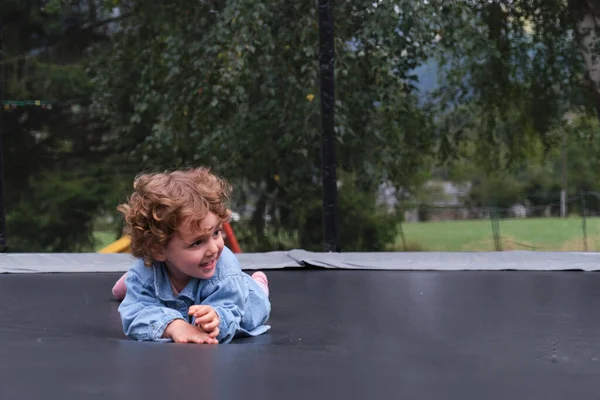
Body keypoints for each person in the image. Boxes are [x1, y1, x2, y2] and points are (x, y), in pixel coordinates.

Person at [113, 167, 271, 344]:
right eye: (197, 242)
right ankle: (132, 282)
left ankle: (258, 284)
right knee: (141, 277)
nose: (213, 249)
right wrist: (173, 325)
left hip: (245, 300)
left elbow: (230, 310)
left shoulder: (225, 270)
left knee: (257, 299)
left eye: (216, 233)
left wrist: (215, 320)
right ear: (159, 250)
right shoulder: (147, 267)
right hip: (157, 269)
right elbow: (134, 314)